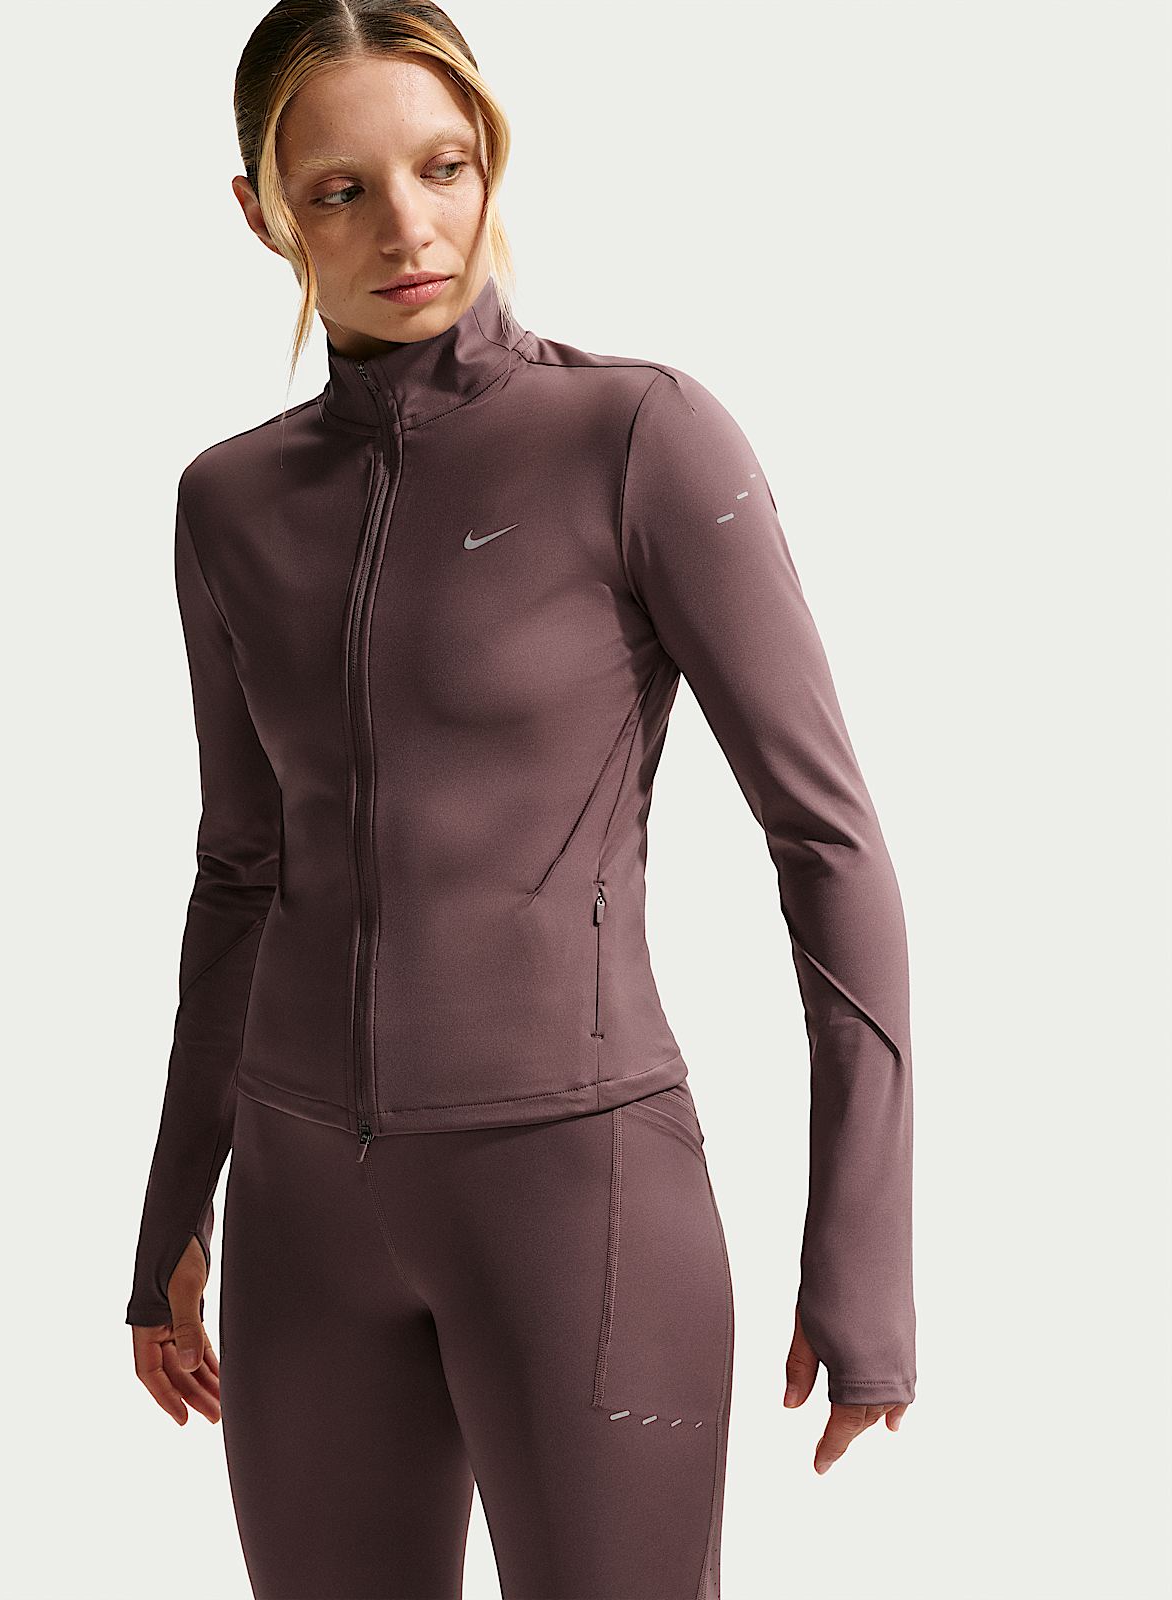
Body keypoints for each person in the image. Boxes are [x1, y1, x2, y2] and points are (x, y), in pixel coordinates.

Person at [125, 2, 916, 1595]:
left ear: (492, 161)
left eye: (443, 165)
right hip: (297, 1215)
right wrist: (168, 1223)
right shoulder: (228, 500)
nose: (409, 228)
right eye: (341, 189)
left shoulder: (634, 435)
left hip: (578, 1200)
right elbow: (241, 871)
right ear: (263, 213)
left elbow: (826, 842)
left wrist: (864, 1246)